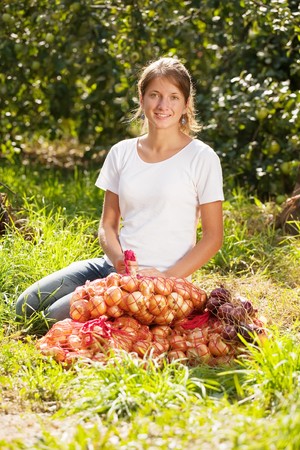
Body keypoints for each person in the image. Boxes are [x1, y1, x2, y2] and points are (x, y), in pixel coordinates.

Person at [16, 56, 224, 323]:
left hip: (161, 282)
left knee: (53, 316)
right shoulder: (121, 152)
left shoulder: (202, 157)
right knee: (25, 307)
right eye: (155, 95)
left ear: (186, 103)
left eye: (173, 97)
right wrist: (118, 262)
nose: (163, 105)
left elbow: (213, 237)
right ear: (142, 98)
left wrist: (167, 277)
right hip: (111, 266)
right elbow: (108, 225)